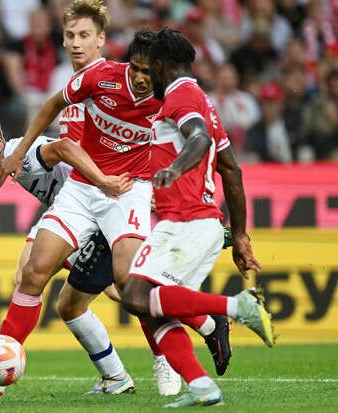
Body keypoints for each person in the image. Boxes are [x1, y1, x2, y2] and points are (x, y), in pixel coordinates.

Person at [0, 0, 230, 397]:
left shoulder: (172, 99)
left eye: (147, 71)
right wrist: (19, 153)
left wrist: (183, 199)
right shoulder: (100, 77)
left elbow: (200, 148)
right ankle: (0, 361)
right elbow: (53, 106)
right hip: (81, 191)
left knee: (131, 284)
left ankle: (202, 328)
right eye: (134, 68)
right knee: (34, 272)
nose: (139, 78)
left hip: (127, 193)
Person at [120, 28, 275, 408]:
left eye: (149, 69)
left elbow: (199, 138)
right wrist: (239, 234)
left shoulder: (180, 95)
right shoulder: (203, 100)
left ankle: (236, 308)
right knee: (154, 308)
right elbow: (232, 170)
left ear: (160, 65)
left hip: (185, 221)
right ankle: (202, 386)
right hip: (197, 222)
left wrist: (174, 169)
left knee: (136, 296)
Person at [0, 104, 134, 397]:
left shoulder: (25, 155)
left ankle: (194, 319)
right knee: (32, 279)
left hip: (93, 216)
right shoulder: (14, 158)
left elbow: (64, 147)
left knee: (127, 295)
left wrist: (101, 181)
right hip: (69, 217)